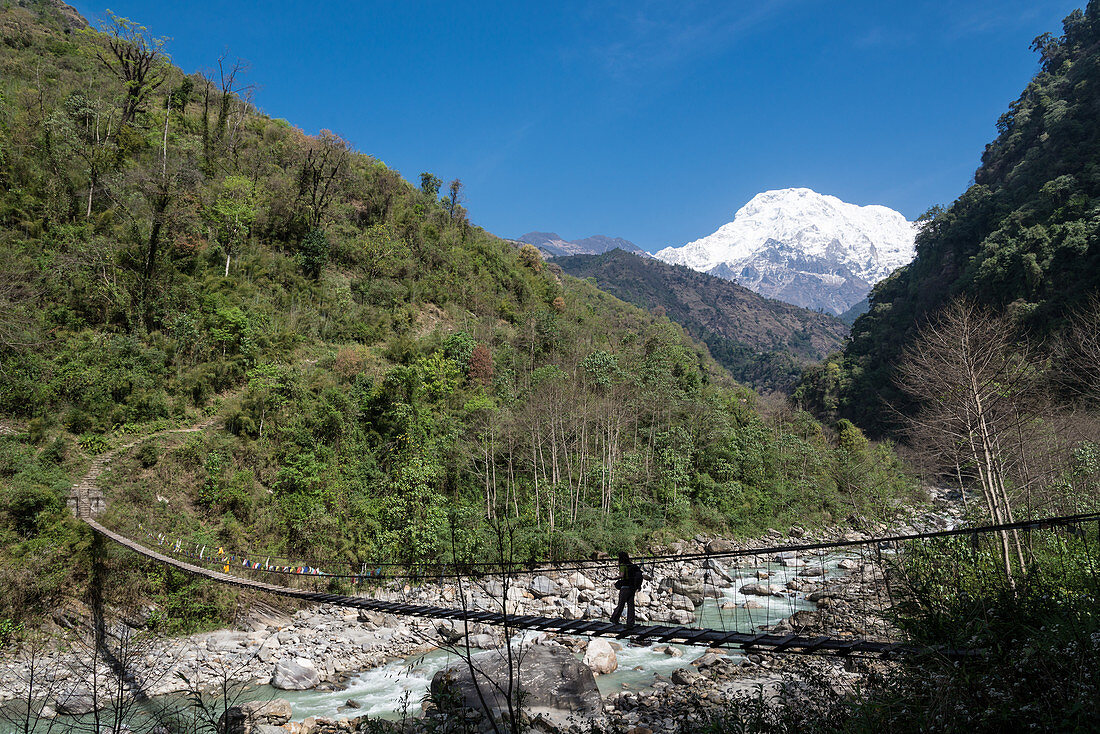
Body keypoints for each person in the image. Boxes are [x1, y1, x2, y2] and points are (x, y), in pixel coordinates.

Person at [610, 551, 643, 627]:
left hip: (625, 587)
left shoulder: (622, 565)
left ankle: (614, 618)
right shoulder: (631, 565)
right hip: (632, 588)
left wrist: (612, 578)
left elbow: (621, 575)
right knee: (631, 606)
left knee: (621, 604)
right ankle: (630, 622)